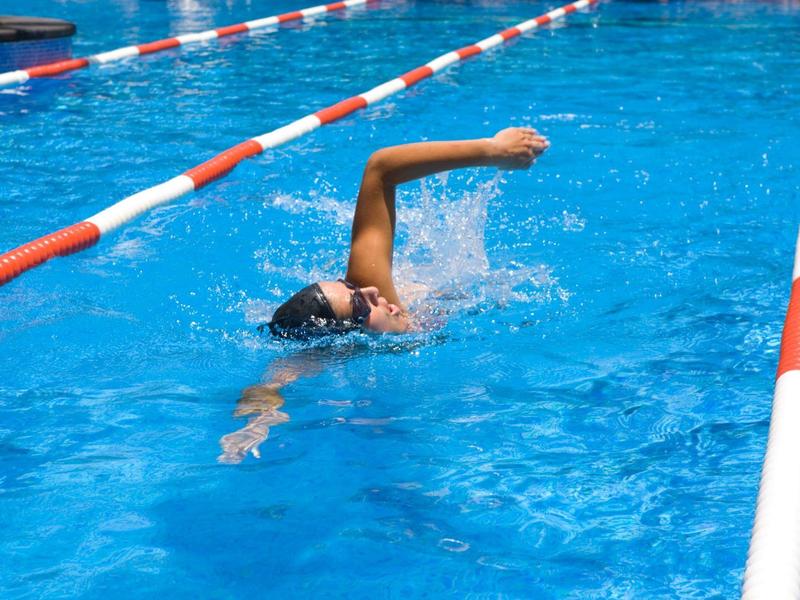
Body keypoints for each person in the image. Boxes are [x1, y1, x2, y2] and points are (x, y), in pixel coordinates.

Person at [265, 126, 550, 339]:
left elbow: (381, 168)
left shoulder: (375, 290)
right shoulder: (351, 347)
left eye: (352, 288)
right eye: (358, 304)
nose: (372, 290)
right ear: (347, 336)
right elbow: (285, 372)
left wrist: (493, 151)